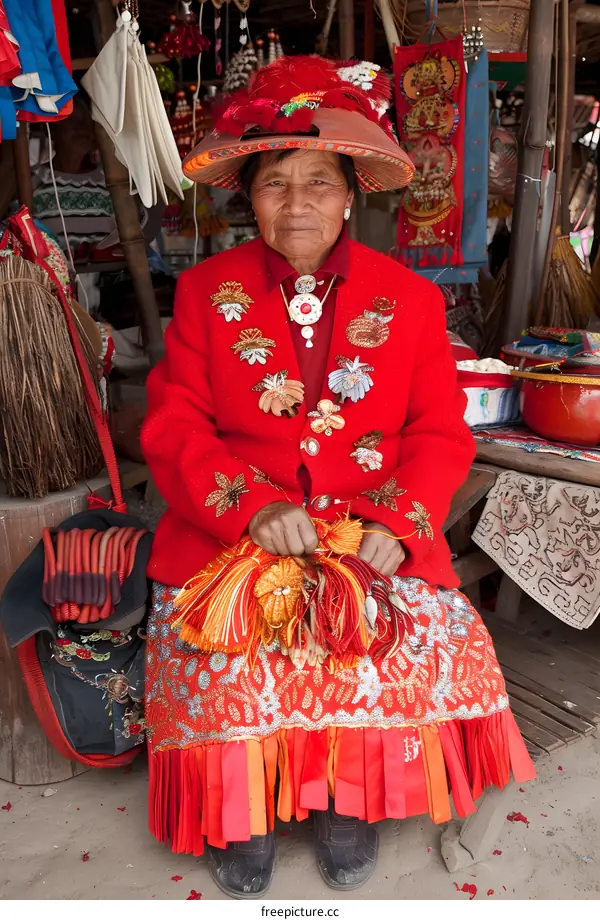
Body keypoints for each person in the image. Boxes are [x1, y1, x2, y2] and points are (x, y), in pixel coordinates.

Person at [142, 55, 534, 899]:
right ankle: (240, 809)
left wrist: (397, 526)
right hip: (236, 534)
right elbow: (174, 427)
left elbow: (438, 431)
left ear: (351, 193)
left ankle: (344, 804)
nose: (296, 204)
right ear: (248, 197)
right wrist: (250, 510)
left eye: (317, 182)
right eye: (275, 182)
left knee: (385, 643)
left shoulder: (411, 299)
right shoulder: (206, 294)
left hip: (371, 528)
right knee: (227, 652)